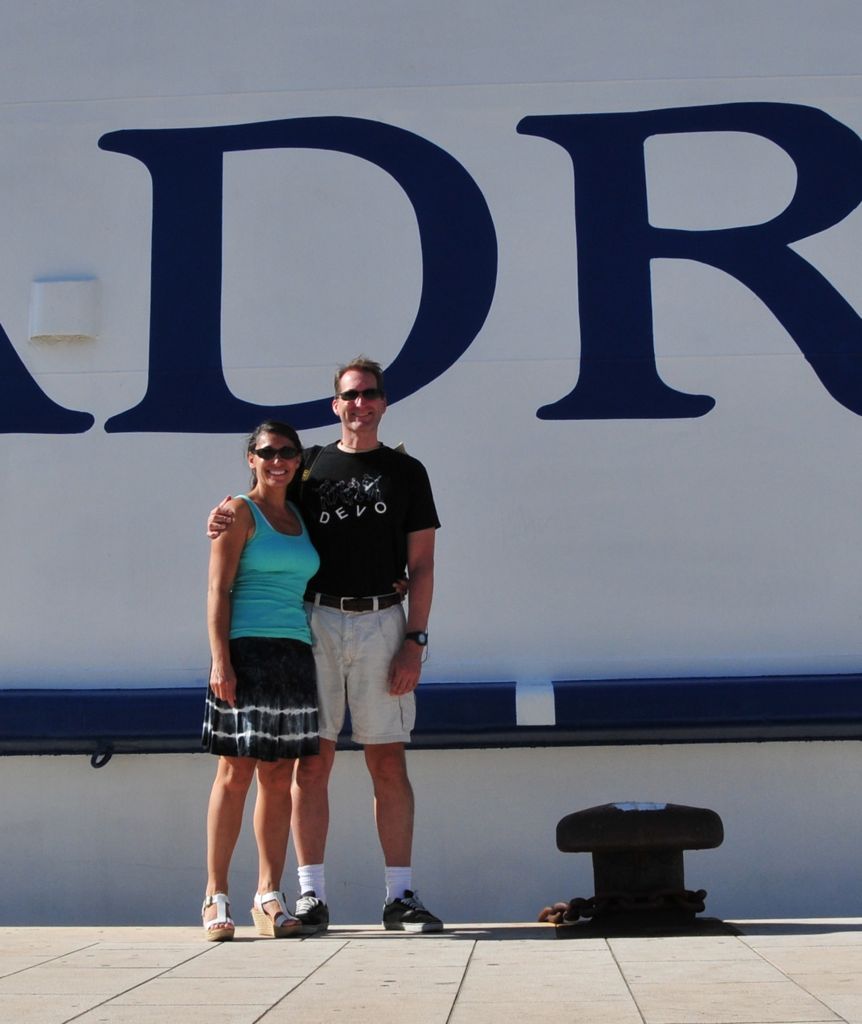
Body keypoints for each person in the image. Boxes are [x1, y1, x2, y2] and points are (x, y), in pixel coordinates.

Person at [208, 357, 442, 932]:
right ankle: (310, 895)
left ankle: (400, 897)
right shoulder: (307, 466)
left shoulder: (407, 472)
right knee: (310, 764)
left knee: (388, 760)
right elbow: (261, 503)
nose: (360, 404)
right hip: (314, 623)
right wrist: (221, 516)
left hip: (383, 623)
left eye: (370, 394)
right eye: (350, 396)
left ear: (384, 402)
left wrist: (415, 639)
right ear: (335, 405)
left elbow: (422, 564)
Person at [201, 420, 320, 941]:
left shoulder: (300, 513)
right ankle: (215, 895)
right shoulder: (238, 512)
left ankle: (268, 895)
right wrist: (220, 662)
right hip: (245, 653)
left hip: (294, 655)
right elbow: (218, 590)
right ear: (251, 457)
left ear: (298, 460)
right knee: (235, 773)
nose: (278, 461)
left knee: (278, 777)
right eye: (268, 452)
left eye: (288, 452)